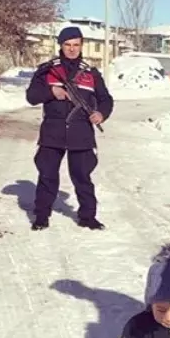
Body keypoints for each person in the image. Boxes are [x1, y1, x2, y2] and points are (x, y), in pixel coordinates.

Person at [26, 25, 113, 231]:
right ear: (60, 45)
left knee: (83, 177)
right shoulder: (47, 70)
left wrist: (101, 113)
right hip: (52, 132)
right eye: (67, 45)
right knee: (47, 175)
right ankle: (41, 216)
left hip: (81, 133)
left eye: (76, 45)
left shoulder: (91, 73)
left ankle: (88, 217)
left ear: (82, 45)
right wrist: (51, 92)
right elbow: (31, 97)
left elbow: (105, 99)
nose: (72, 49)